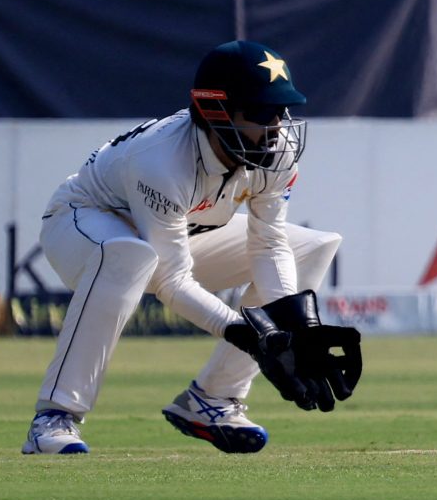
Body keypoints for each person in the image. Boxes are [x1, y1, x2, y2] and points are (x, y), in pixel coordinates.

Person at [24, 41, 362, 456]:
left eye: (282, 110)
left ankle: (214, 400)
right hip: (79, 224)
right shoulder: (162, 160)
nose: (276, 125)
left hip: (181, 234)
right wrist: (250, 334)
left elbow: (269, 243)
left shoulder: (277, 151)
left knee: (309, 247)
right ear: (216, 111)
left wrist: (294, 330)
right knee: (129, 253)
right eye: (260, 112)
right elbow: (170, 278)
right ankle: (55, 417)